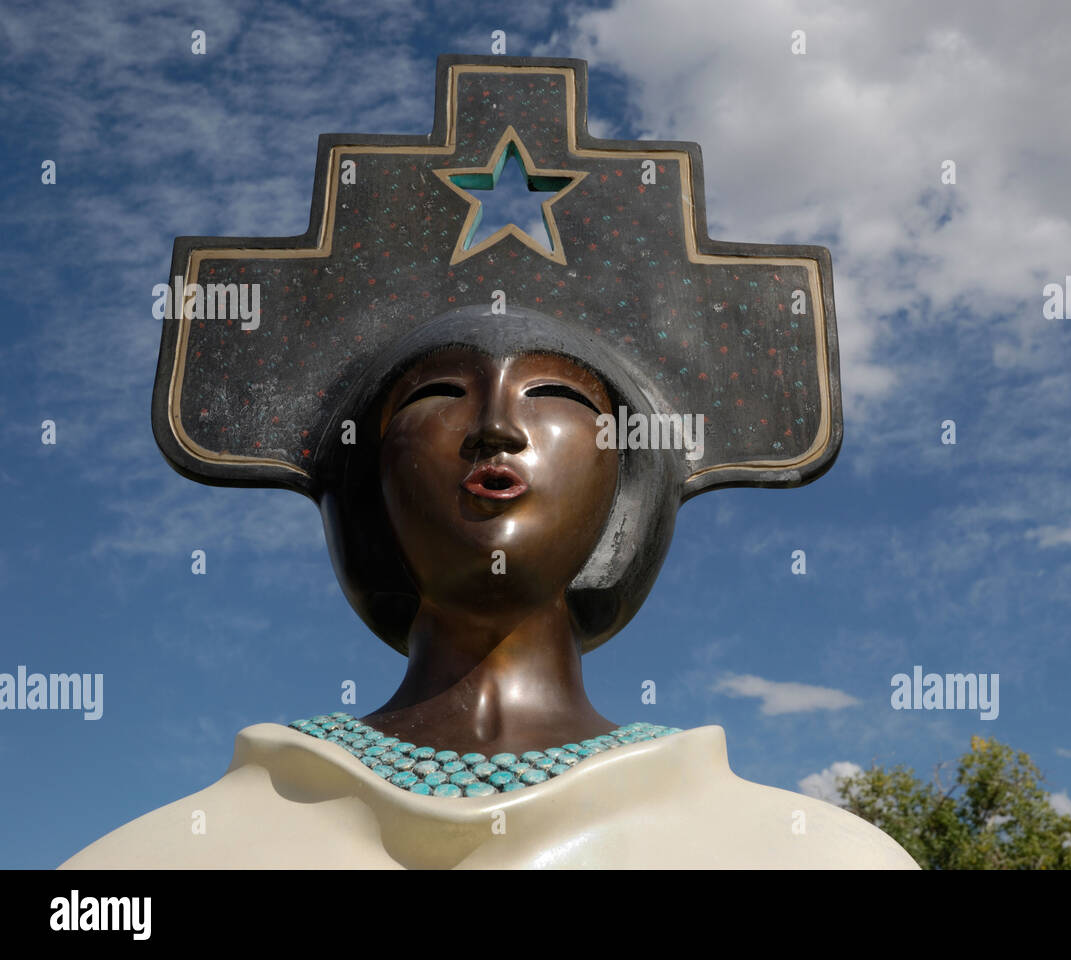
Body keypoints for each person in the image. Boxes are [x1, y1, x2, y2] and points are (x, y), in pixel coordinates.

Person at [60, 53, 918, 868]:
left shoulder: (798, 854)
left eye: (558, 397)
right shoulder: (187, 854)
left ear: (628, 475)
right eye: (439, 394)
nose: (497, 426)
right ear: (369, 474)